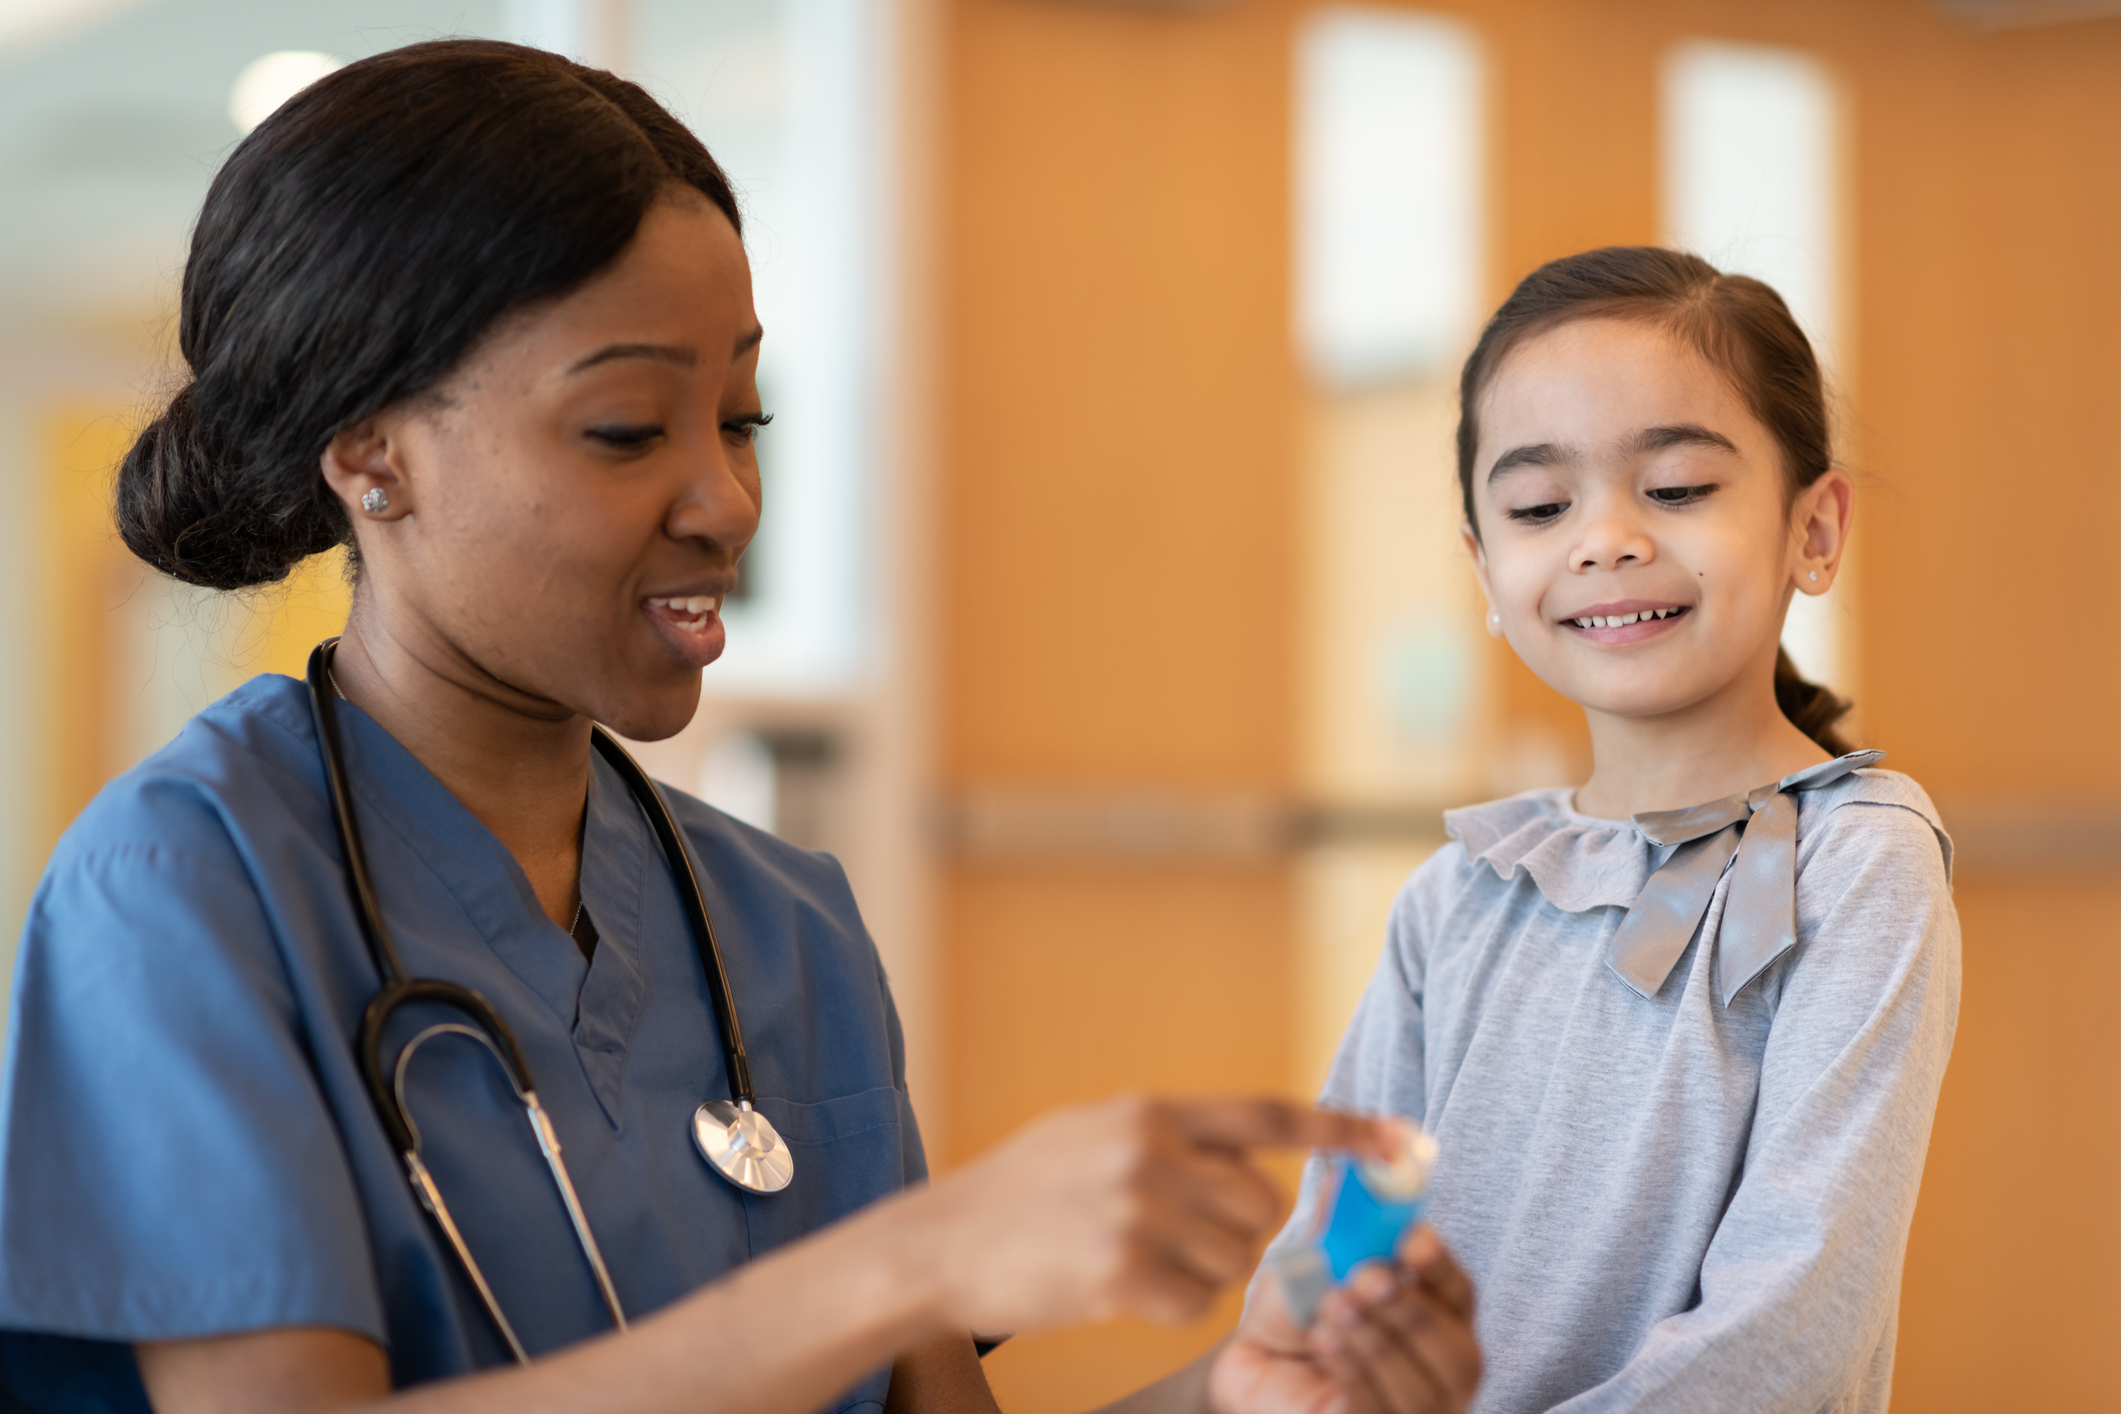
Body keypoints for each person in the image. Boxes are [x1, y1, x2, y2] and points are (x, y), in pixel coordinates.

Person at [0, 38, 1482, 1414]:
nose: (725, 501)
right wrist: (914, 1258)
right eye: (630, 430)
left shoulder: (779, 925)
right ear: (373, 458)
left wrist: (1240, 1391)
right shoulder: (181, 886)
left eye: (743, 422)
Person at [1256, 247, 1958, 1412]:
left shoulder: (1859, 853)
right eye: (1540, 505)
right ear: (1485, 568)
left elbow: (1793, 1323)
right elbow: (1335, 1250)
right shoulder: (1458, 891)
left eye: (1677, 487)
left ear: (1814, 529)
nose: (1606, 538)